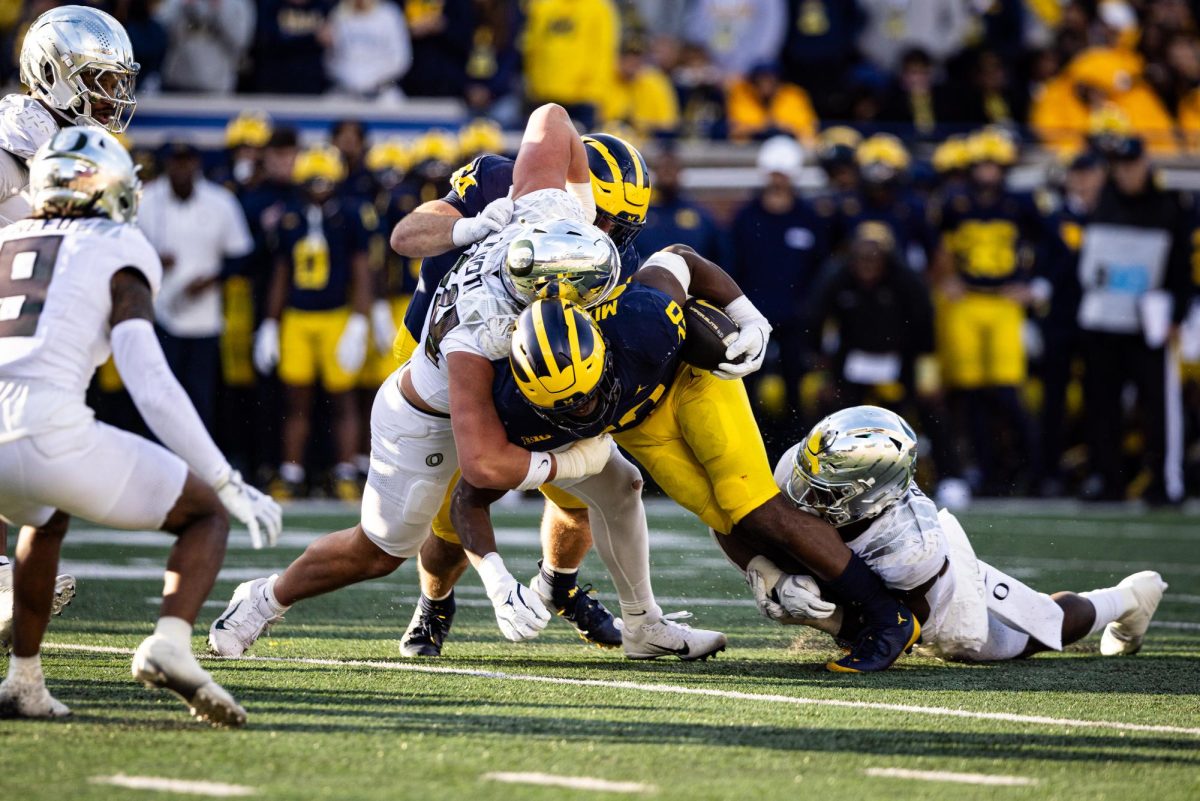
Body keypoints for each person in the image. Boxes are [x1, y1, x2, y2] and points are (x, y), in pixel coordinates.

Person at [207, 105, 663, 659]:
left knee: (614, 480)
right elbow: (481, 470)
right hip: (429, 413)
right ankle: (264, 598)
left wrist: (577, 198)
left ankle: (610, 607)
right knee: (380, 551)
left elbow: (550, 116)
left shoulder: (551, 212)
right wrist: (571, 466)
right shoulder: (480, 325)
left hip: (519, 379)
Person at [488, 255, 926, 673]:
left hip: (690, 384)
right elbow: (476, 479)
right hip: (640, 428)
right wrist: (767, 573)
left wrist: (751, 317)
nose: (585, 410)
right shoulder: (515, 401)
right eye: (567, 406)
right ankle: (855, 625)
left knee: (746, 500)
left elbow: (684, 258)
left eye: (590, 391)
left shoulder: (642, 316)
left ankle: (888, 618)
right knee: (720, 517)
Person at [0, 127, 281, 723]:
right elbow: (148, 380)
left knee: (43, 519)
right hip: (49, 429)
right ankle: (171, 646)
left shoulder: (8, 235)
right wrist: (225, 477)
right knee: (204, 511)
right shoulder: (115, 242)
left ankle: (24, 679)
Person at [387, 131, 650, 655]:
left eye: (620, 226)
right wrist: (468, 227)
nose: (606, 233)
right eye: (602, 217)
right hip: (443, 360)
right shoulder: (498, 183)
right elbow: (408, 234)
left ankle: (559, 583)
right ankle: (433, 603)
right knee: (449, 521)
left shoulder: (605, 254)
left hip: (529, 372)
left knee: (582, 499)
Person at [748, 406, 1168, 665]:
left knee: (1041, 626)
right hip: (907, 567)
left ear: (870, 493)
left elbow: (906, 626)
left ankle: (1131, 598)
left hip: (942, 603)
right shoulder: (801, 466)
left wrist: (828, 617)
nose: (803, 494)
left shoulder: (910, 548)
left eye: (826, 490)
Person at [0, 4, 140, 651]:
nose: (113, 96)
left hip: (25, 337)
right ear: (54, 75)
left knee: (44, 498)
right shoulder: (10, 145)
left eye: (118, 80)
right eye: (101, 79)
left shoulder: (75, 151)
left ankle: (22, 662)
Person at [1076, 133, 1193, 504]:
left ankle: (1164, 482)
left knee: (1158, 409)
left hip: (1147, 325)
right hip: (1102, 323)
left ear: (1145, 164)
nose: (1126, 173)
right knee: (1102, 407)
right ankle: (1108, 480)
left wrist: (1177, 313)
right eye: (1120, 166)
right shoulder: (1101, 202)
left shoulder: (1168, 207)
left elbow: (1180, 269)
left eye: (1132, 165)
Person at [253, 146, 374, 501]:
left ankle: (345, 470)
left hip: (337, 315)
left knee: (343, 399)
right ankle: (292, 472)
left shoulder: (350, 214)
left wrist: (359, 320)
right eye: (312, 181)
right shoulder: (289, 214)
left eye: (324, 181)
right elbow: (281, 272)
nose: (319, 187)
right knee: (295, 400)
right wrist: (270, 324)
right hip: (297, 317)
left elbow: (362, 270)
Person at [931, 127, 1041, 496]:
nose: (988, 172)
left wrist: (1033, 284)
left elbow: (1050, 245)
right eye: (982, 164)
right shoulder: (954, 202)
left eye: (995, 165)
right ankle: (987, 471)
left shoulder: (1020, 203)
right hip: (968, 300)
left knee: (1007, 392)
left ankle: (1032, 468)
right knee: (973, 393)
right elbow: (939, 248)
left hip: (1004, 302)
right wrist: (946, 280)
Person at [138, 142, 254, 431]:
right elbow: (124, 249)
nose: (181, 167)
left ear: (197, 164)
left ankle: (199, 466)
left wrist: (211, 279)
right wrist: (152, 258)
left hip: (205, 316)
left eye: (186, 161)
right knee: (159, 393)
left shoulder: (220, 201)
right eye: (175, 161)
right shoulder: (147, 199)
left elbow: (241, 255)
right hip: (158, 312)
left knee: (200, 394)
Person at [156, 0, 255, 94]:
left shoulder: (238, 3)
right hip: (175, 85)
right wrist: (183, 8)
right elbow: (158, 35)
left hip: (217, 88)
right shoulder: (175, 3)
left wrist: (219, 11)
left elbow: (241, 42)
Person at [324, 0, 410, 100]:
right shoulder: (339, 13)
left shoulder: (389, 14)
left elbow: (400, 59)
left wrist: (372, 82)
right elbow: (330, 61)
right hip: (344, 92)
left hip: (382, 94)